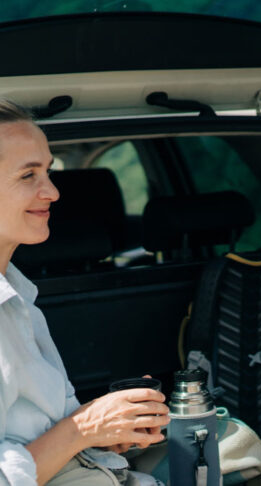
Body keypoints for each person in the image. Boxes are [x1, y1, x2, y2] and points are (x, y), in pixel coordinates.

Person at [0, 99, 170, 486]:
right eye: (28, 175)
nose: (53, 192)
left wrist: (104, 432)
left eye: (49, 171)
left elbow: (35, 436)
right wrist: (84, 429)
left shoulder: (19, 297)